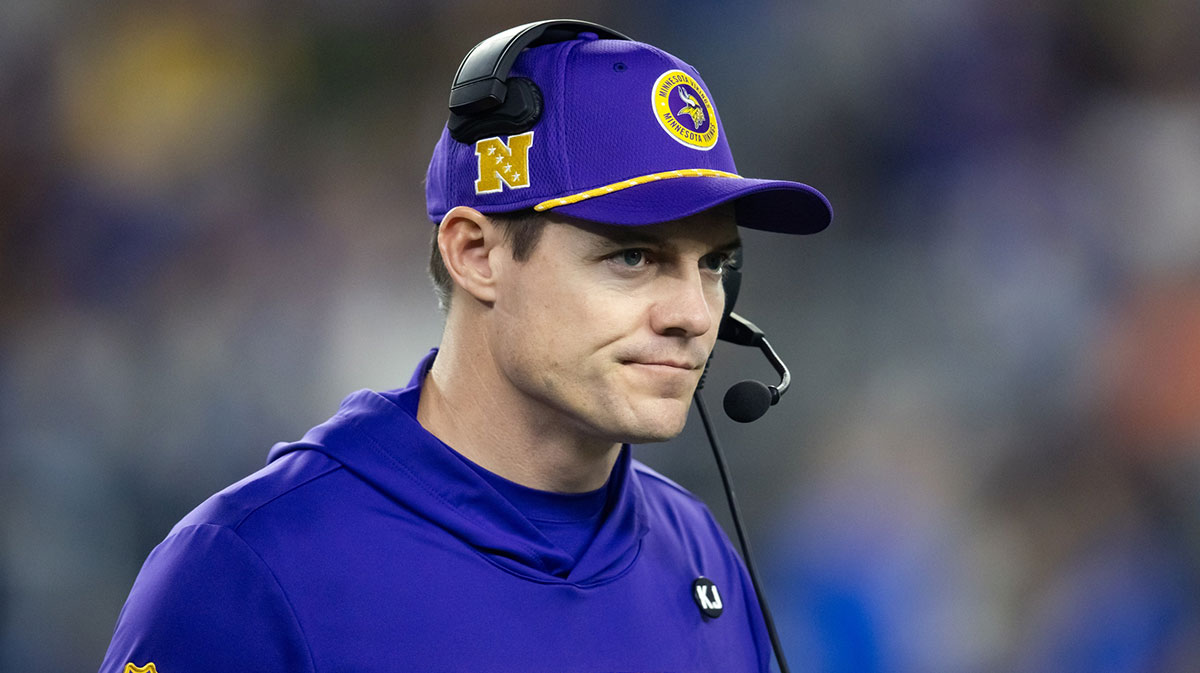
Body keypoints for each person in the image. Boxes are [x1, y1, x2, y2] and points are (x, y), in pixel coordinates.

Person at [99, 20, 831, 673]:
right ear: (476, 253)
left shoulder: (701, 554)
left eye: (713, 264)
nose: (694, 313)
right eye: (633, 257)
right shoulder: (251, 566)